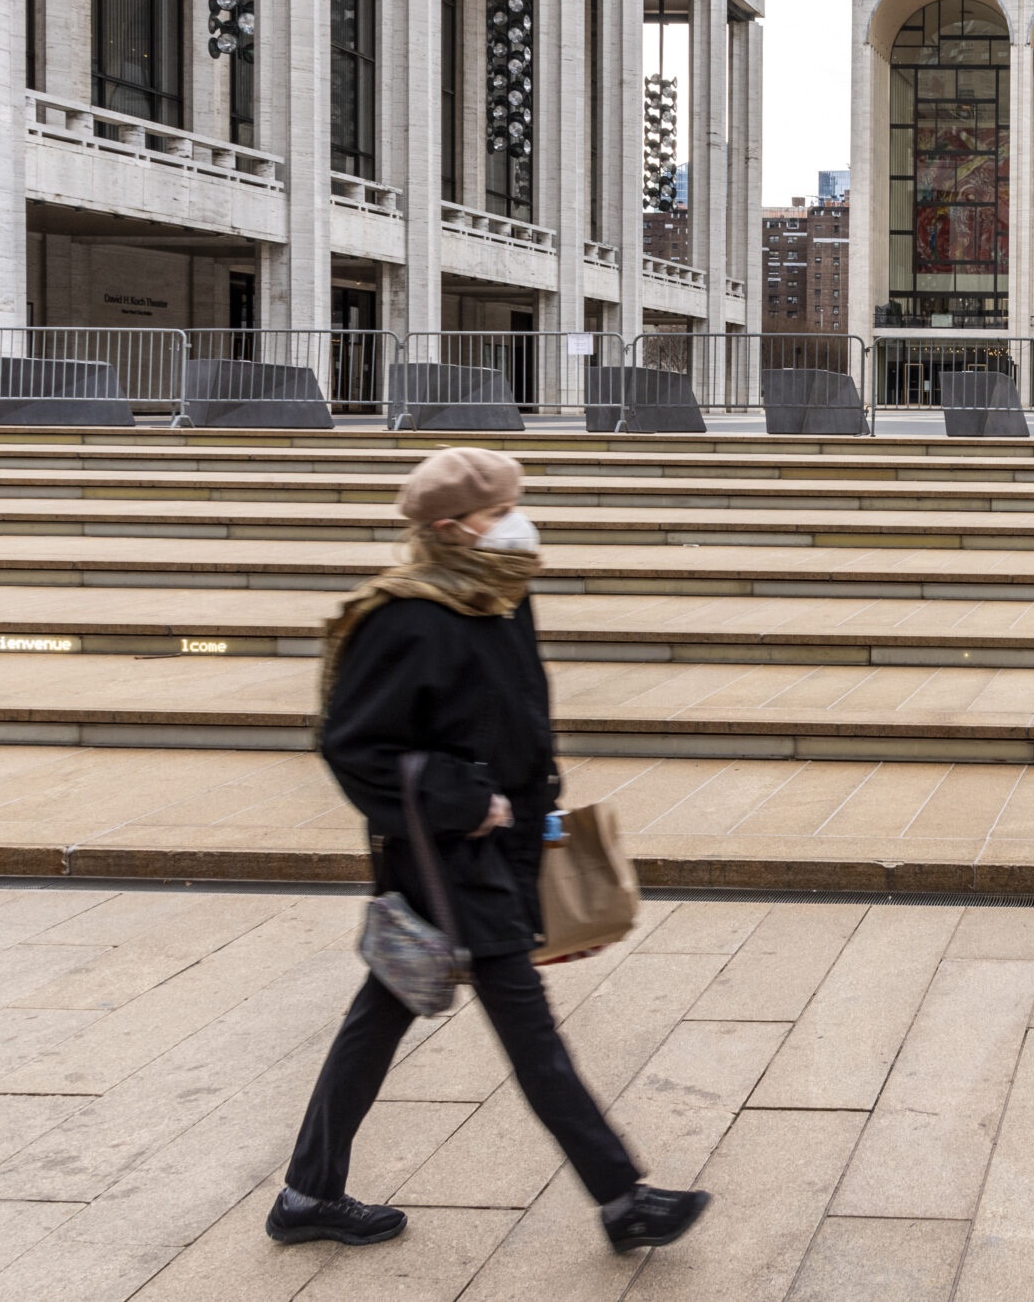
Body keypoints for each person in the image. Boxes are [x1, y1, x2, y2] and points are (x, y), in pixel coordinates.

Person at [268, 445, 710, 1255]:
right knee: (530, 1031)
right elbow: (353, 744)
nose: (517, 521)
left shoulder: (501, 593)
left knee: (380, 1013)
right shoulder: (403, 616)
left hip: (498, 851)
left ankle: (308, 1193)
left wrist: (538, 818)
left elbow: (518, 716)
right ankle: (623, 1199)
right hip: (450, 861)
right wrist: (468, 802)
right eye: (499, 510)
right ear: (450, 526)